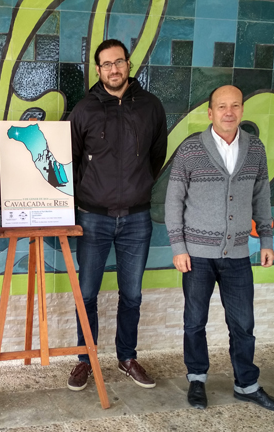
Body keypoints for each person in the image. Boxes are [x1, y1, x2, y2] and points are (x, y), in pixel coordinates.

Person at [164, 85, 274, 413]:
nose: (228, 112)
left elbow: (262, 196)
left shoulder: (255, 148)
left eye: (235, 106)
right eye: (221, 106)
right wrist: (178, 247)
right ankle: (197, 379)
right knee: (195, 321)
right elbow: (173, 201)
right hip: (197, 255)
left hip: (237, 254)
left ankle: (246, 385)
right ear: (210, 112)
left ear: (242, 110)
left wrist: (266, 240)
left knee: (243, 324)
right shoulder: (191, 149)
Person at [66, 39, 168, 391]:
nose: (114, 69)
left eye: (119, 62)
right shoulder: (84, 110)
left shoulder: (151, 107)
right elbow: (70, 161)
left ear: (128, 64)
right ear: (98, 70)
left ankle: (127, 357)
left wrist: (138, 187)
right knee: (87, 293)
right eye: (106, 64)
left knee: (132, 295)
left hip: (137, 219)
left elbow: (157, 157)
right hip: (93, 218)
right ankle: (85, 359)